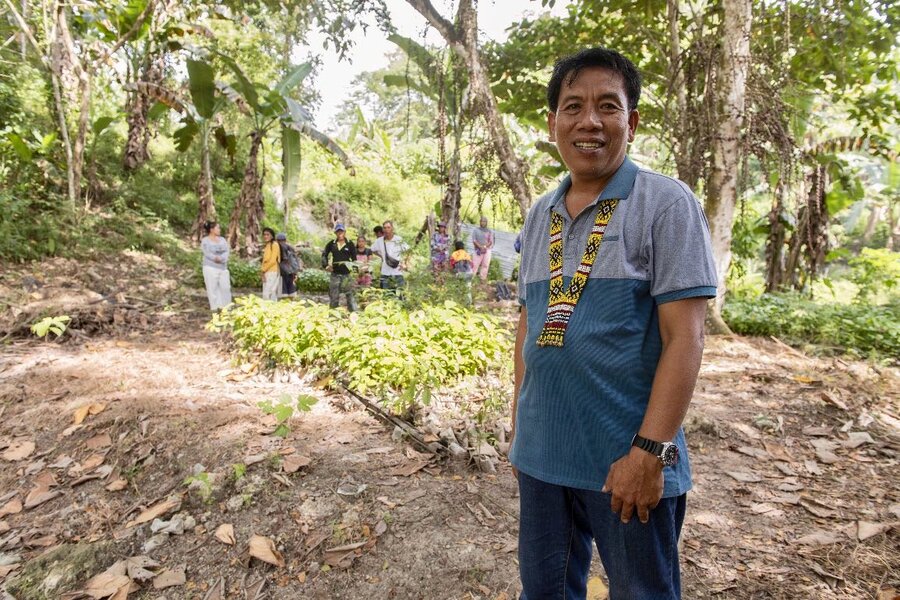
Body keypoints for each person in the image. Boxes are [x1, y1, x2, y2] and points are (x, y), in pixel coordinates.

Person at [511, 47, 717, 600]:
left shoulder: (665, 204)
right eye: (573, 106)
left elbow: (685, 338)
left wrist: (649, 454)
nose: (589, 121)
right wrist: (519, 430)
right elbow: (530, 326)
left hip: (626, 464)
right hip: (543, 459)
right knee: (545, 591)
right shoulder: (539, 214)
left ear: (632, 120)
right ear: (553, 121)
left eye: (608, 106)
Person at [322, 223, 358, 311]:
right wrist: (326, 265)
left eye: (341, 231)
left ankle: (353, 315)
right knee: (334, 296)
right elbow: (324, 254)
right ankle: (333, 316)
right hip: (335, 274)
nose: (340, 233)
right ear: (335, 233)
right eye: (338, 232)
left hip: (347, 275)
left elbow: (354, 259)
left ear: (344, 232)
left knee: (350, 295)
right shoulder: (332, 244)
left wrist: (355, 273)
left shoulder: (350, 244)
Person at [200, 221, 232, 311]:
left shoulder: (222, 240)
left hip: (222, 268)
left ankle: (227, 309)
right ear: (211, 230)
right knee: (212, 289)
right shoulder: (205, 240)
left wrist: (221, 258)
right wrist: (215, 258)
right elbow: (206, 252)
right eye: (217, 228)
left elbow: (227, 251)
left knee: (225, 288)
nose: (219, 229)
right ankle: (215, 309)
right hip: (210, 267)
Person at [371, 220, 408, 296]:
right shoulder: (379, 241)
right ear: (383, 230)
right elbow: (373, 249)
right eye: (385, 228)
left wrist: (404, 263)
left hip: (397, 272)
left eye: (388, 227)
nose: (386, 230)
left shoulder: (398, 239)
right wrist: (382, 256)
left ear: (392, 229)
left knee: (400, 296)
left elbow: (407, 251)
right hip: (385, 273)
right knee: (386, 296)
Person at [276, 232, 300, 298]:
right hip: (292, 272)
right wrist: (296, 272)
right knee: (291, 292)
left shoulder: (279, 248)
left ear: (277, 240)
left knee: (283, 293)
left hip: (283, 272)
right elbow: (296, 260)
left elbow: (283, 259)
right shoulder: (291, 248)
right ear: (285, 240)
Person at [260, 227, 281, 301]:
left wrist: (263, 270)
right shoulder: (268, 245)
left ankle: (271, 309)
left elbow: (273, 260)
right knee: (267, 293)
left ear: (272, 235)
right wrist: (262, 272)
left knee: (269, 293)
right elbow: (264, 261)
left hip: (272, 271)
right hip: (266, 272)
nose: (265, 236)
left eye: (268, 235)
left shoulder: (274, 245)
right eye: (264, 235)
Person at [471, 216, 494, 281]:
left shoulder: (490, 231)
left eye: (484, 221)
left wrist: (484, 247)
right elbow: (474, 240)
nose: (483, 222)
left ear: (486, 223)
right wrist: (480, 247)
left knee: (485, 265)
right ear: (479, 222)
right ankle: (471, 278)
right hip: (478, 250)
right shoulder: (476, 230)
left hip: (487, 250)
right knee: (475, 264)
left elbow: (491, 241)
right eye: (481, 221)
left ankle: (482, 279)